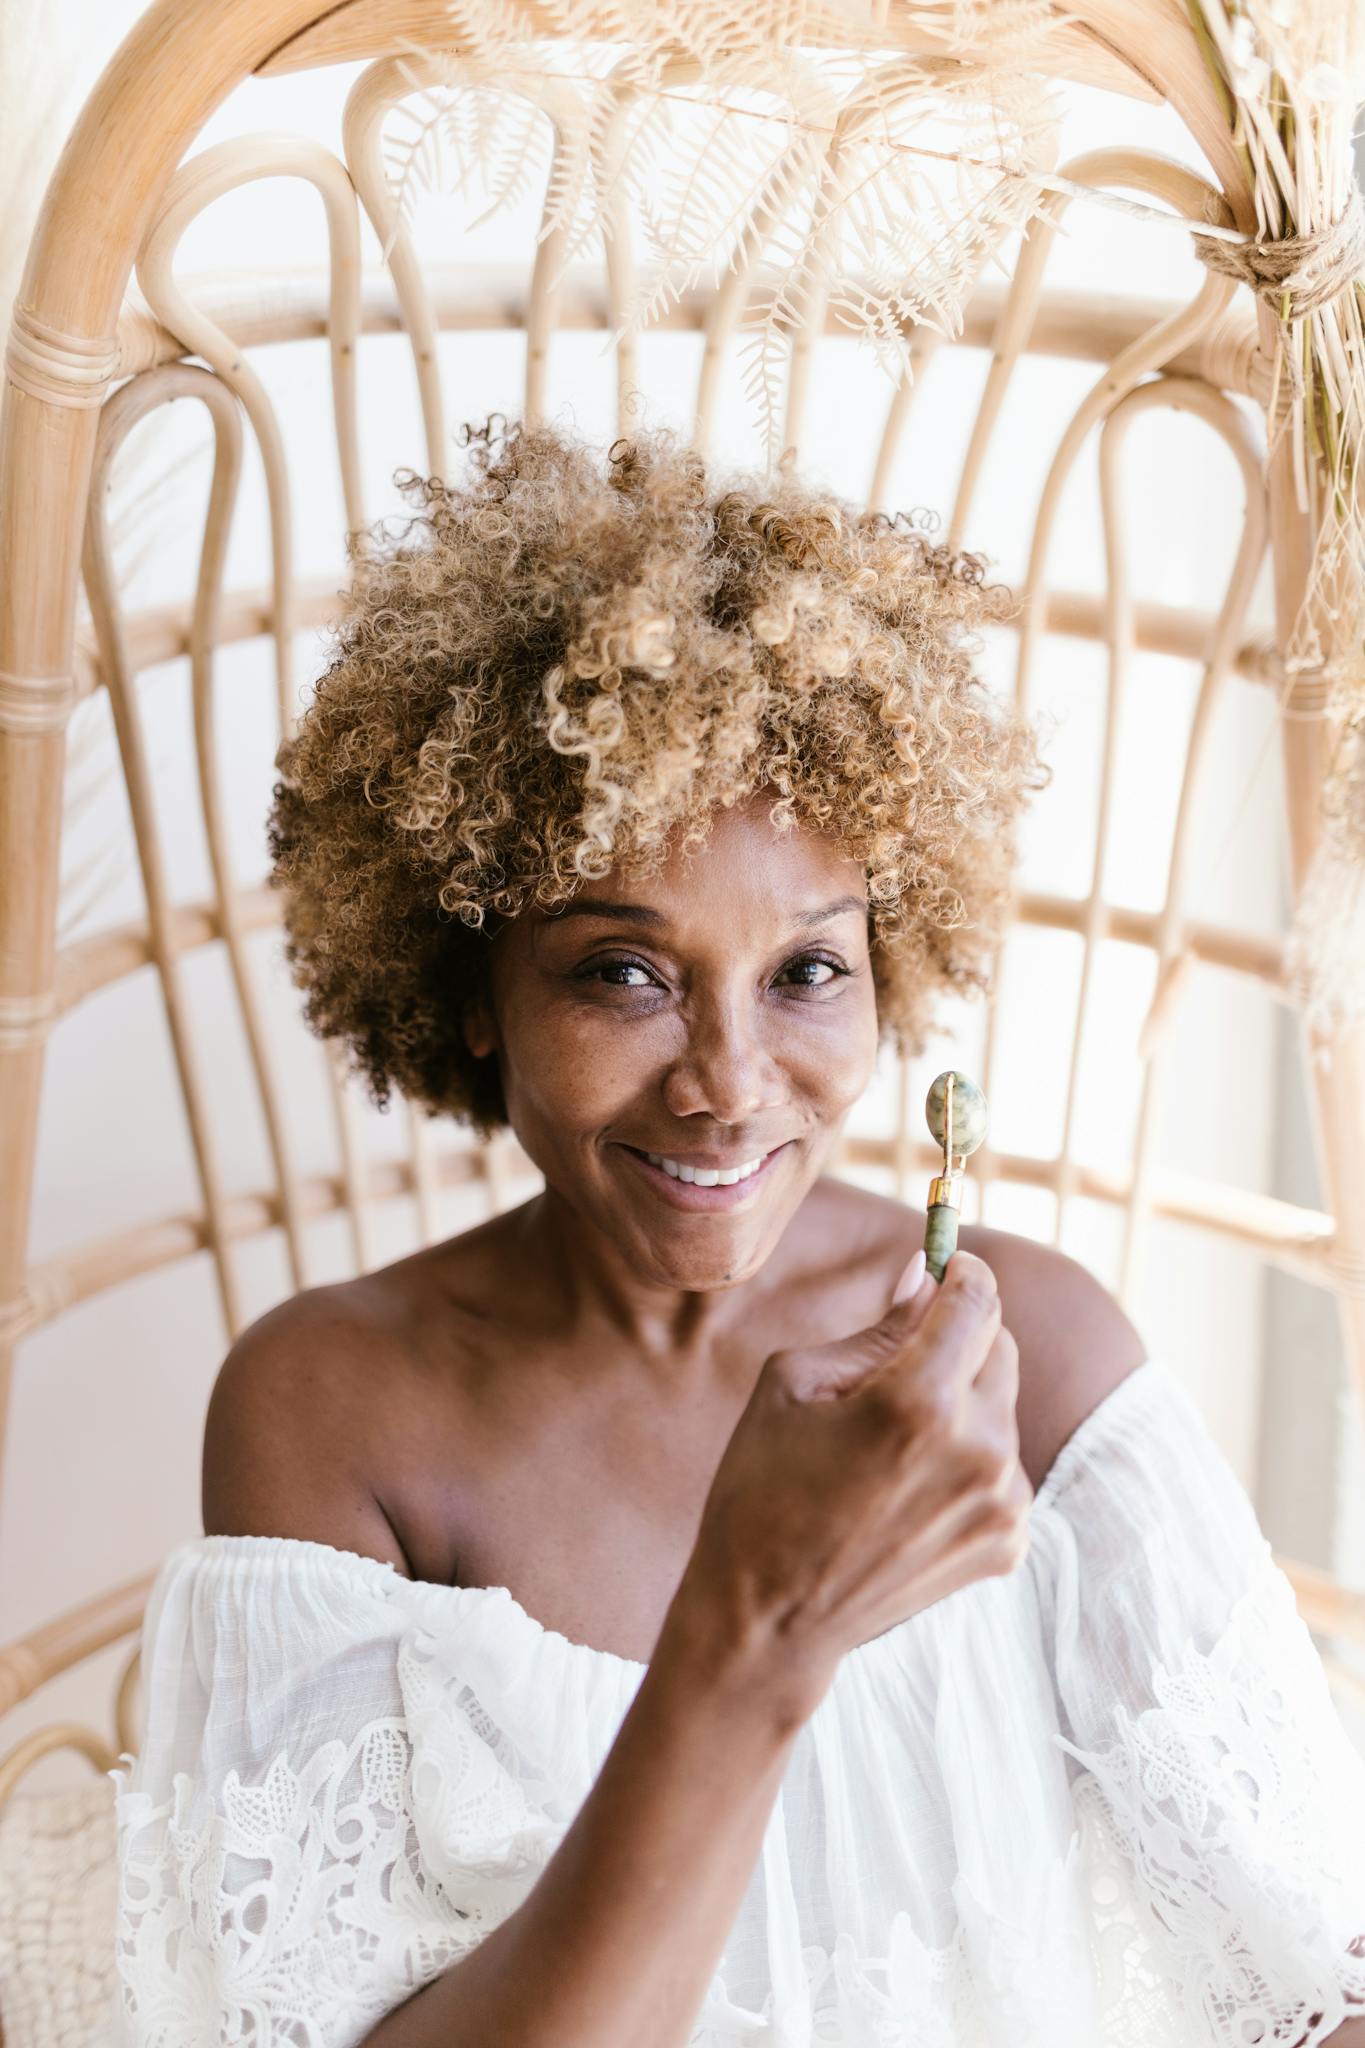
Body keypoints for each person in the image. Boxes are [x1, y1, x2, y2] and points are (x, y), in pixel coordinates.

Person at [106, 418, 1365, 2047]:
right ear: (473, 991)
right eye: (620, 972)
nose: (725, 1083)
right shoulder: (335, 1412)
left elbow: (1311, 1972)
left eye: (804, 973)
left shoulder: (1027, 1363)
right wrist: (756, 1626)